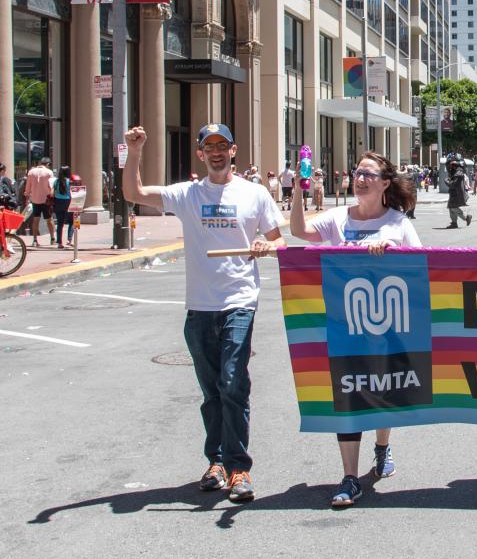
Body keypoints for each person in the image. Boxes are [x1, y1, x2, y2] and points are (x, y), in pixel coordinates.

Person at [123, 123, 284, 502]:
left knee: (233, 383)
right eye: (208, 146)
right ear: (200, 154)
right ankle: (217, 462)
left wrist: (264, 243)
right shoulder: (187, 194)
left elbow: (278, 239)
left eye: (222, 145)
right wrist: (135, 152)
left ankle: (239, 468)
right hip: (199, 307)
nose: (216, 151)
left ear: (233, 150)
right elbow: (134, 193)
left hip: (239, 302)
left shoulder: (254, 193)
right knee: (212, 392)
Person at [290, 151, 420, 506]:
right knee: (348, 398)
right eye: (357, 172)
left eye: (369, 174)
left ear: (385, 184)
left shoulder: (398, 223)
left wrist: (392, 249)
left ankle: (382, 446)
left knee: (381, 392)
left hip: (388, 327)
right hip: (343, 326)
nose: (360, 178)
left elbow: (424, 269)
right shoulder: (335, 218)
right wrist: (298, 191)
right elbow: (299, 232)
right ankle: (349, 477)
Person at [23, 157, 53, 246]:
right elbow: (51, 186)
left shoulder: (31, 172)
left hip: (35, 199)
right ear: (47, 164)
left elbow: (28, 186)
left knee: (36, 219)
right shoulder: (49, 172)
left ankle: (35, 240)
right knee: (49, 219)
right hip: (46, 200)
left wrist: (27, 197)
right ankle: (52, 238)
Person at [444, 158, 471, 228]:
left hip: (456, 194)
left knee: (453, 207)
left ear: (455, 166)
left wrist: (446, 181)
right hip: (453, 193)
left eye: (451, 166)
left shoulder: (458, 173)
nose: (450, 167)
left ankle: (466, 217)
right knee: (451, 207)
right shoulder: (455, 173)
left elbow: (453, 184)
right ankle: (454, 223)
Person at [51, 165, 73, 248]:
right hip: (68, 202)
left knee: (60, 223)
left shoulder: (56, 181)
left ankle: (60, 242)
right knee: (71, 221)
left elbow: (51, 193)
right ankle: (69, 239)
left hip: (58, 202)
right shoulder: (70, 182)